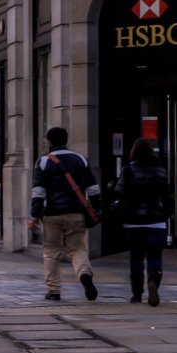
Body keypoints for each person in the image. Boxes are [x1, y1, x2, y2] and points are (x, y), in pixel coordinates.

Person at [32, 127, 102, 301]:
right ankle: (84, 273)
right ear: (66, 140)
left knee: (51, 252)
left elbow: (38, 192)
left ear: (49, 142)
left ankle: (54, 290)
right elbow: (93, 189)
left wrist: (33, 216)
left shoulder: (43, 162)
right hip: (76, 212)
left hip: (52, 213)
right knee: (77, 248)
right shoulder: (81, 160)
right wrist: (97, 209)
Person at [112, 139, 174, 305]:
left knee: (136, 258)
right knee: (155, 256)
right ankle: (153, 281)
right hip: (156, 221)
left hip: (133, 222)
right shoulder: (161, 171)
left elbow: (120, 192)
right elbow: (167, 196)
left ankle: (137, 294)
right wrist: (166, 213)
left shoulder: (128, 170)